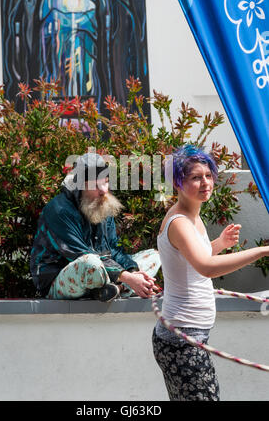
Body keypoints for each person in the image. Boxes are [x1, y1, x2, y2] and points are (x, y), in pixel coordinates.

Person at [152, 144, 269, 401]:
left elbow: (190, 260)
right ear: (178, 183)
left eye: (208, 175)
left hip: (188, 335)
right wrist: (261, 252)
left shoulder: (193, 215)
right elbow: (204, 267)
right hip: (181, 340)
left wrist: (219, 245)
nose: (205, 182)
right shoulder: (180, 222)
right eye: (195, 177)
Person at [30, 152, 161, 302]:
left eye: (105, 182)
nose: (104, 191)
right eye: (96, 184)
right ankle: (120, 287)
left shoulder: (102, 203)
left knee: (153, 256)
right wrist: (128, 278)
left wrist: (133, 271)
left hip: (103, 273)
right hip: (59, 280)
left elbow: (114, 250)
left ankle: (114, 289)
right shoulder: (59, 210)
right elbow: (80, 254)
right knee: (90, 262)